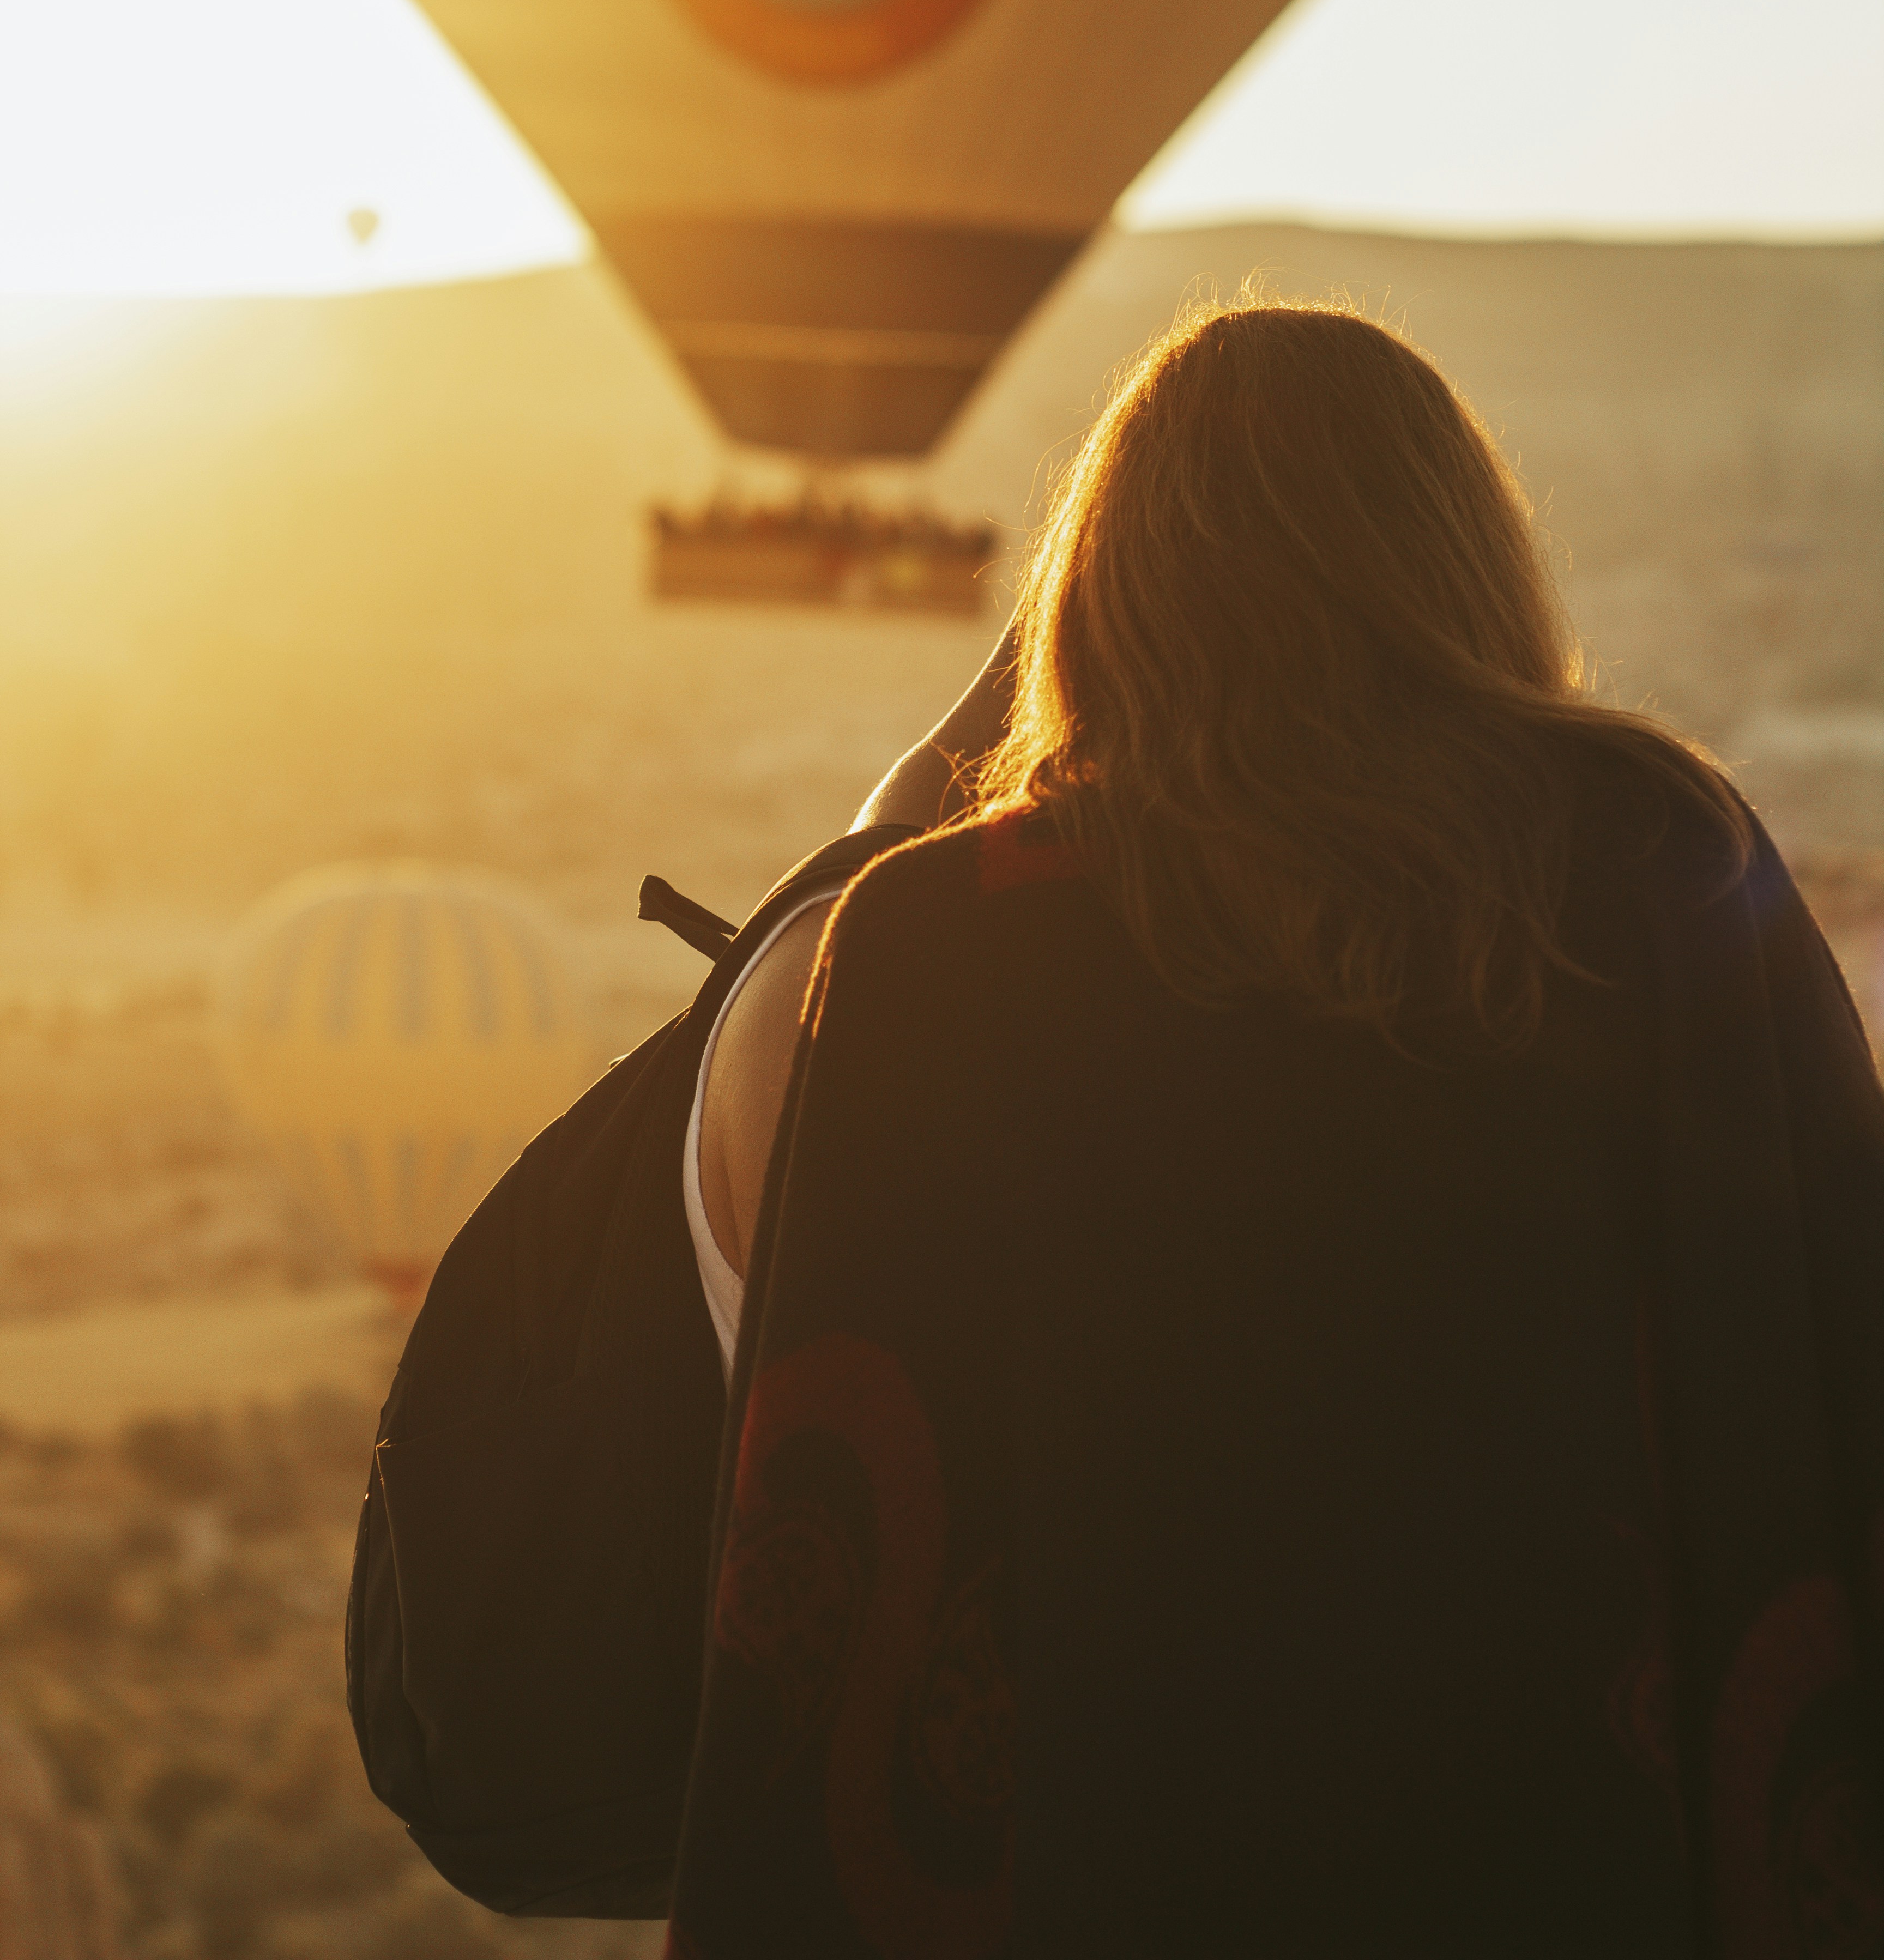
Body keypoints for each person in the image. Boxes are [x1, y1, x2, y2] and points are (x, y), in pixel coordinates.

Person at [673, 293, 1884, 1957]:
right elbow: (1833, 1378)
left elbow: (835, 1537)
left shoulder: (941, 945)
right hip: (1593, 1868)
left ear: (1105, 583)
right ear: (1461, 555)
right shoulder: (1667, 866)